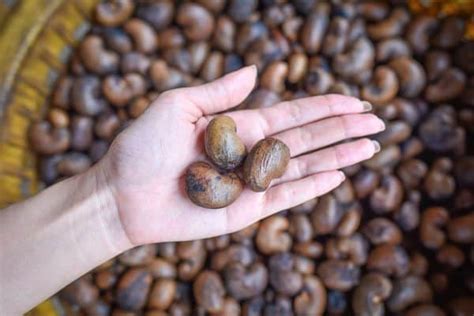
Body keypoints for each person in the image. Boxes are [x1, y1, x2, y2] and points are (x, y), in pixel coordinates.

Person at [0, 66, 385, 314]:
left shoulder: (235, 167)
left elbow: (247, 164)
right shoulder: (229, 167)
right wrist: (110, 203)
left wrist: (107, 205)